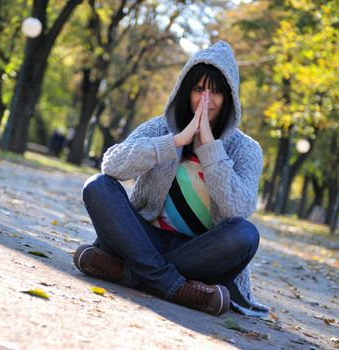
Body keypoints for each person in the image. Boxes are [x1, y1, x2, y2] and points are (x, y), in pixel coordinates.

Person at [74, 41, 268, 317]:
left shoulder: (246, 149)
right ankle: (175, 287)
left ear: (230, 98)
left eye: (215, 91)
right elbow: (112, 164)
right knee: (97, 185)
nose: (206, 99)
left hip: (201, 253)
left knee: (246, 234)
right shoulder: (159, 127)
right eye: (198, 88)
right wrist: (175, 141)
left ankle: (132, 273)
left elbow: (239, 209)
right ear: (185, 90)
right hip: (143, 238)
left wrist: (210, 148)